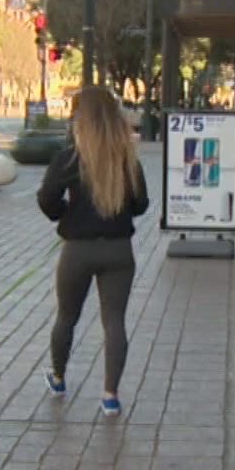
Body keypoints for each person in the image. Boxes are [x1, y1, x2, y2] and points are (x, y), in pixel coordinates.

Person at [37, 85, 150, 417]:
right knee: (114, 321)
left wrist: (64, 214)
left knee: (66, 317)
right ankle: (110, 396)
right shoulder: (126, 157)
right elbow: (141, 204)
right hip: (118, 250)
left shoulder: (70, 156)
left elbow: (46, 198)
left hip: (78, 250)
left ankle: (58, 378)